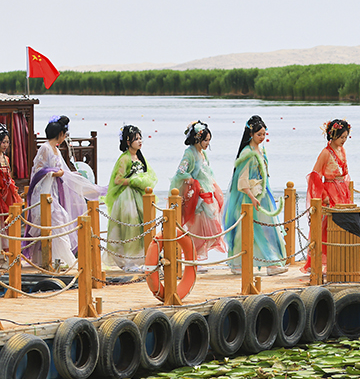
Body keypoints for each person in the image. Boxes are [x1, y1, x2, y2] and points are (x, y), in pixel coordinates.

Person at [24, 116, 105, 268]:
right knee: (58, 219)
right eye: (64, 134)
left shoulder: (55, 149)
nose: (65, 137)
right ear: (60, 134)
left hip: (53, 189)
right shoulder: (45, 148)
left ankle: (57, 259)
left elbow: (62, 170)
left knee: (61, 219)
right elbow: (38, 170)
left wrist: (71, 175)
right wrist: (54, 173)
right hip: (45, 191)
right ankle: (59, 258)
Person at [222, 115, 287, 275]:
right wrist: (251, 197)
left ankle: (271, 263)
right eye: (259, 134)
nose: (262, 138)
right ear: (251, 134)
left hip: (262, 194)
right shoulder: (247, 152)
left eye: (264, 134)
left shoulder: (261, 149)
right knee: (248, 230)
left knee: (267, 230)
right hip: (249, 197)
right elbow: (241, 180)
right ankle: (239, 264)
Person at [305, 119, 360, 273]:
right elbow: (315, 175)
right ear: (332, 135)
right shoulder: (325, 153)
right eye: (341, 137)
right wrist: (324, 194)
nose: (344, 141)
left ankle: (343, 258)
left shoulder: (342, 151)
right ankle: (325, 262)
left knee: (346, 224)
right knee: (328, 226)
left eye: (346, 137)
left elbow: (345, 173)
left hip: (342, 191)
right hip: (330, 190)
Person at [169, 121, 226, 271]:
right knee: (196, 226)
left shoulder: (203, 152)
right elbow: (180, 172)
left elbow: (208, 171)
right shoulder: (189, 153)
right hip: (196, 194)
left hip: (206, 192)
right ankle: (193, 258)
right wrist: (192, 182)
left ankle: (198, 256)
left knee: (209, 225)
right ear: (197, 139)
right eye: (205, 140)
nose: (207, 143)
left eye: (209, 140)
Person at [104, 125, 159, 272]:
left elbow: (149, 174)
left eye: (141, 138)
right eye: (136, 139)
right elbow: (117, 180)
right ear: (128, 142)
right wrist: (134, 181)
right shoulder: (124, 158)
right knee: (130, 227)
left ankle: (141, 258)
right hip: (127, 197)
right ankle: (128, 261)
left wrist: (142, 181)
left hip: (140, 196)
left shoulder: (140, 157)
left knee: (142, 226)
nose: (140, 141)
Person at [0, 126, 21, 253]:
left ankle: (7, 252)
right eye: (3, 142)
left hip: (7, 193)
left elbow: (9, 177)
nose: (5, 145)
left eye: (7, 142)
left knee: (7, 221)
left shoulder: (6, 159)